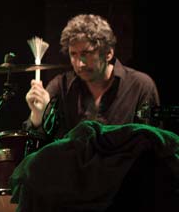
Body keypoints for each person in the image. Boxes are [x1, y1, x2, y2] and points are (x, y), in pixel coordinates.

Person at [24, 13, 160, 140]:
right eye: (73, 54)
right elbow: (36, 142)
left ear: (108, 53)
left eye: (86, 53)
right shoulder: (61, 86)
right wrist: (38, 116)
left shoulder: (140, 86)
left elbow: (153, 143)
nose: (79, 64)